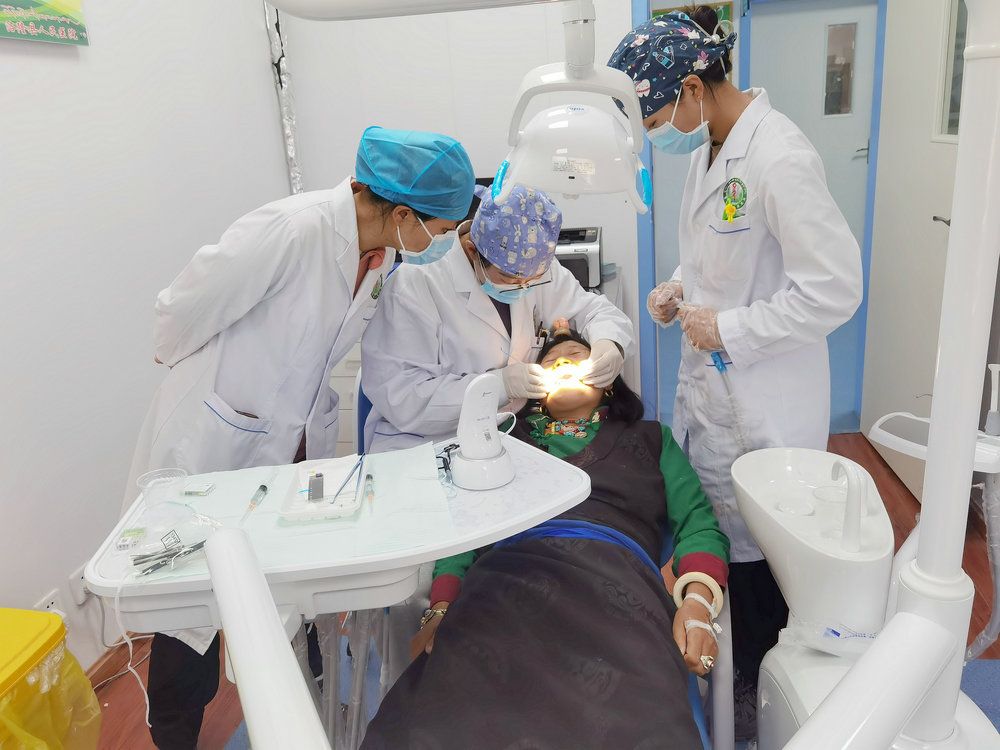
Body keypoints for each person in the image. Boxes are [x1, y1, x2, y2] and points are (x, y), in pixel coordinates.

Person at [126, 125, 475, 750]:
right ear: (403, 214)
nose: (443, 244)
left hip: (291, 448)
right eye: (442, 231)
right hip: (219, 441)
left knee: (289, 590)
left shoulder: (379, 256)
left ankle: (307, 710)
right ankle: (175, 737)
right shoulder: (292, 230)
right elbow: (179, 311)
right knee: (193, 611)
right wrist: (223, 394)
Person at [609, 5, 863, 739]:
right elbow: (717, 259)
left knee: (763, 566)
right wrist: (678, 289)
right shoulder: (708, 152)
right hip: (713, 398)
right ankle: (737, 677)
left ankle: (764, 697)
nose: (657, 134)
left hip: (763, 405)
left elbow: (834, 289)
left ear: (693, 88)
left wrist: (731, 328)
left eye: (655, 118)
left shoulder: (779, 157)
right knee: (726, 546)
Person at [361, 324, 730, 750]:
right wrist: (440, 607)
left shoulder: (651, 439)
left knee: (635, 716)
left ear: (608, 381)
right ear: (535, 390)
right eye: (552, 362)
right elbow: (466, 530)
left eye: (579, 357)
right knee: (443, 713)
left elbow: (699, 525)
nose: (565, 363)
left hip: (616, 586)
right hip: (504, 581)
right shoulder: (503, 443)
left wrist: (698, 605)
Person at [361, 185, 634, 678]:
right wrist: (495, 385)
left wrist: (610, 342)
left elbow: (594, 310)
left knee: (498, 589)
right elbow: (401, 395)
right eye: (511, 277)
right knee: (423, 592)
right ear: (473, 246)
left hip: (498, 446)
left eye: (534, 277)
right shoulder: (418, 285)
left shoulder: (530, 266)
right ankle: (412, 685)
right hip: (422, 449)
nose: (525, 286)